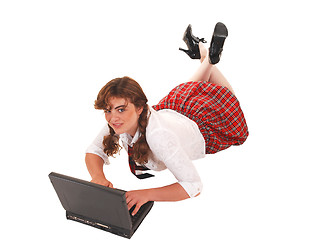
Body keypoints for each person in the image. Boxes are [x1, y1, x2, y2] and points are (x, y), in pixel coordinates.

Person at [85, 22, 249, 216]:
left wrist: (147, 194)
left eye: (121, 109)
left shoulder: (159, 137)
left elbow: (193, 185)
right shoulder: (118, 121)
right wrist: (97, 176)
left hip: (199, 126)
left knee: (229, 99)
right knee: (192, 86)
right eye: (108, 110)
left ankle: (207, 57)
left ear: (139, 108)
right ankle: (204, 55)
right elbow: (94, 150)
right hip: (172, 111)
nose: (113, 118)